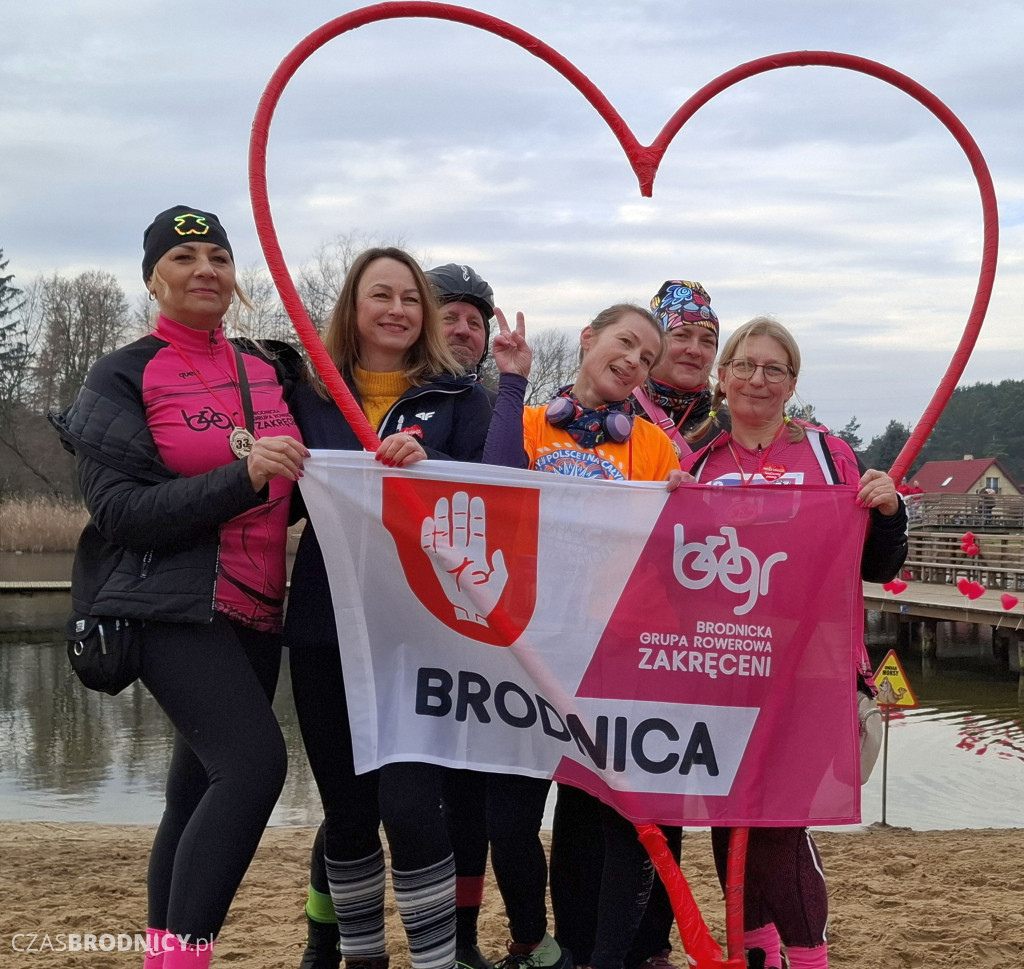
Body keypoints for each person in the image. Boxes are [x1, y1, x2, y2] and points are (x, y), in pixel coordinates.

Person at [50, 205, 308, 969]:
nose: (205, 270)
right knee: (256, 768)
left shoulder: (271, 365)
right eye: (185, 256)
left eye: (220, 258)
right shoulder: (124, 373)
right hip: (171, 603)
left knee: (194, 795)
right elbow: (122, 515)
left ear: (236, 280)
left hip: (262, 610)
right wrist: (244, 476)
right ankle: (187, 958)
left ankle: (161, 955)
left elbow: (329, 465)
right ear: (154, 277)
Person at [286, 248, 494, 969]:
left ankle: (437, 960)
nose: (399, 309)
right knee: (346, 813)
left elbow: (494, 502)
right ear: (354, 304)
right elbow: (283, 502)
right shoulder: (309, 392)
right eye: (383, 294)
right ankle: (361, 957)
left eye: (412, 298)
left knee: (409, 808)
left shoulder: (466, 401)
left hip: (419, 633)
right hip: (323, 623)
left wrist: (432, 472)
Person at [684, 316, 908, 969]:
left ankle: (810, 958)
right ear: (722, 377)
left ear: (792, 382)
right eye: (745, 364)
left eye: (773, 368)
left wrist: (890, 510)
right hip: (722, 666)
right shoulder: (694, 455)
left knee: (778, 823)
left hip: (811, 672)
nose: (757, 377)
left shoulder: (826, 454)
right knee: (732, 825)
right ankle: (761, 955)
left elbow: (878, 565)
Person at [481, 303, 682, 969]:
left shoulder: (651, 445)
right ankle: (536, 939)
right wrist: (512, 380)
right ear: (589, 338)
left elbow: (665, 550)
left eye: (648, 357)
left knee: (611, 823)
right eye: (626, 341)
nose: (635, 360)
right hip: (523, 651)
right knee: (507, 820)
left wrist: (685, 502)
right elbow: (498, 484)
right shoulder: (533, 422)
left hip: (610, 656)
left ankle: (601, 956)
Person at [551, 279, 723, 969]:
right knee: (581, 794)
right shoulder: (618, 413)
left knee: (658, 793)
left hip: (678, 636)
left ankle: (647, 944)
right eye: (679, 334)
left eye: (707, 339)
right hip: (580, 635)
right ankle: (579, 941)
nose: (693, 348)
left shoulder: (728, 420)